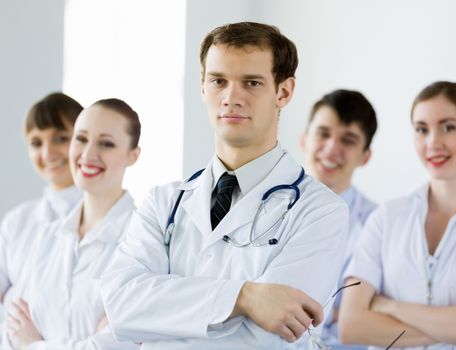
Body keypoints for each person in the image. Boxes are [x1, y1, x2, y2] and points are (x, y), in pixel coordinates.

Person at [101, 22, 349, 349]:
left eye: (251, 83)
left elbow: (263, 339)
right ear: (203, 87)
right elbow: (121, 305)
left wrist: (159, 323)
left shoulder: (320, 212)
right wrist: (244, 297)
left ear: (284, 92)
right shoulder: (163, 203)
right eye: (218, 81)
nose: (232, 98)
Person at [338, 81, 456, 349]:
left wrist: (387, 305)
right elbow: (352, 326)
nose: (433, 142)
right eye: (422, 130)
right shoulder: (385, 219)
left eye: (448, 127)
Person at [4, 99, 141, 350]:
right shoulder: (47, 237)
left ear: (133, 155)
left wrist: (33, 344)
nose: (88, 154)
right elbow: (11, 331)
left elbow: (119, 346)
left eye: (106, 143)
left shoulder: (141, 239)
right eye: (81, 139)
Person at [0, 93, 83, 341]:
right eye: (36, 142)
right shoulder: (17, 220)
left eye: (60, 138)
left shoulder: (104, 219)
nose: (47, 153)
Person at [300, 89, 377, 349]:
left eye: (348, 140)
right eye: (323, 134)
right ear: (304, 139)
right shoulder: (264, 209)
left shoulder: (378, 224)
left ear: (365, 156)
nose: (332, 149)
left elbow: (367, 318)